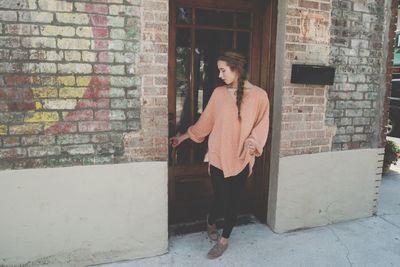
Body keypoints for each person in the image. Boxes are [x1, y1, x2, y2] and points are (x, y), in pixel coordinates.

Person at [169, 51, 270, 259]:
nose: (220, 75)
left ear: (236, 69)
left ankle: (224, 241)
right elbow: (205, 122)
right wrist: (183, 137)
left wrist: (253, 142)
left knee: (234, 201)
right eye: (218, 70)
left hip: (241, 158)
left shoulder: (260, 96)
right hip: (217, 156)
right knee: (221, 200)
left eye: (223, 70)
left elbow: (262, 125)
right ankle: (211, 219)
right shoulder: (218, 93)